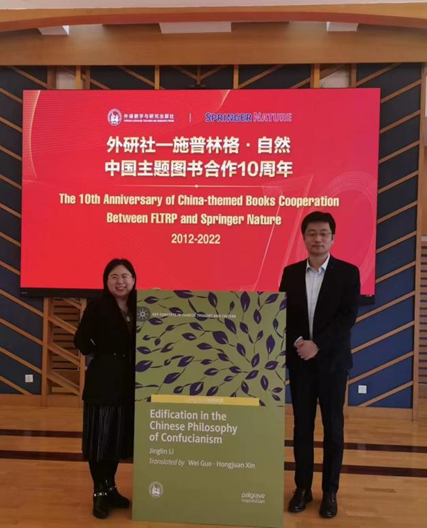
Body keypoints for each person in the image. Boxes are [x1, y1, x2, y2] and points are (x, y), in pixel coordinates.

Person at [279, 211, 360, 519]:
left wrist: (318, 345)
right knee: (302, 428)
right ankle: (302, 488)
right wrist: (302, 342)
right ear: (304, 238)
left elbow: (347, 316)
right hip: (301, 362)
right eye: (312, 233)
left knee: (333, 429)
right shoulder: (290, 273)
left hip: (332, 364)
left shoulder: (348, 273)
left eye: (323, 233)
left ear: (332, 238)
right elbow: (284, 313)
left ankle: (330, 492)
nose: (318, 238)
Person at [74, 258, 137, 519]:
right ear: (106, 281)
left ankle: (110, 487)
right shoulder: (98, 307)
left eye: (125, 276)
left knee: (116, 438)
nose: (120, 281)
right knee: (99, 439)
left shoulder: (141, 306)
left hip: (129, 383)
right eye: (114, 276)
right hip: (103, 380)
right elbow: (80, 340)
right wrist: (102, 352)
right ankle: (99, 491)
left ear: (133, 280)